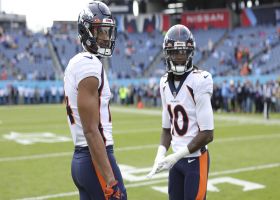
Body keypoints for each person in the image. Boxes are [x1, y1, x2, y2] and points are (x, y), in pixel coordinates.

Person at [64, 1, 126, 200]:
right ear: (86, 31)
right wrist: (110, 180)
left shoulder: (79, 62)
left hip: (83, 159)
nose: (105, 37)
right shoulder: (88, 64)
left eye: (107, 31)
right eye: (99, 31)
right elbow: (91, 130)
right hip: (95, 159)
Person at [147, 24, 214, 200]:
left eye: (183, 52)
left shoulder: (200, 80)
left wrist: (176, 155)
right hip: (176, 163)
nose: (179, 57)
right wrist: (160, 155)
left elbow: (207, 133)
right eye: (175, 52)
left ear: (190, 52)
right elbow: (166, 128)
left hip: (195, 161)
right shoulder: (163, 83)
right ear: (167, 53)